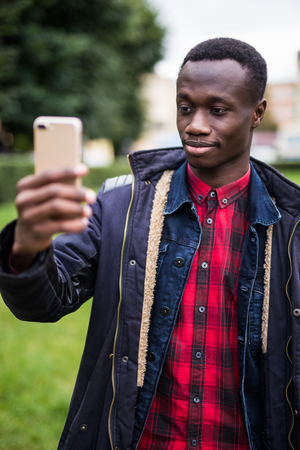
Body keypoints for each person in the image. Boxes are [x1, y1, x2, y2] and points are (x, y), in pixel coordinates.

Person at [0, 37, 299, 450]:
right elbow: (44, 303)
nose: (194, 124)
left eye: (217, 110)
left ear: (256, 114)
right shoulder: (119, 204)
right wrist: (27, 246)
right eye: (184, 107)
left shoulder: (291, 227)